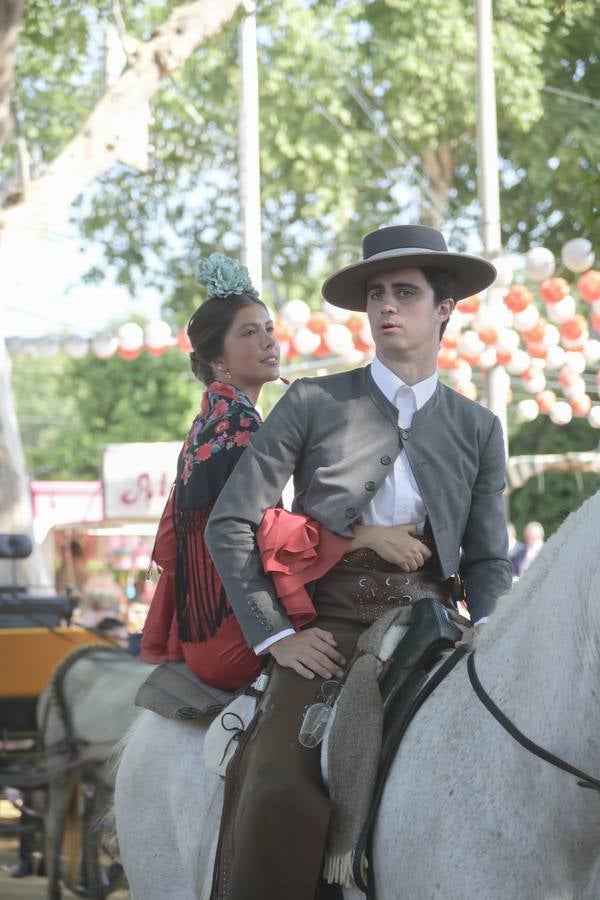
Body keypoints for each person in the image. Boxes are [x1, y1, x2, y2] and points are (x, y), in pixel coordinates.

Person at [205, 224, 513, 900]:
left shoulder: (479, 428)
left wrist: (490, 623)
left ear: (444, 309)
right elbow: (229, 522)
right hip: (327, 625)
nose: (385, 307)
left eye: (405, 292)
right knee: (280, 781)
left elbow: (489, 556)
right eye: (376, 293)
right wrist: (277, 635)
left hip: (437, 628)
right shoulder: (313, 401)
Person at [139, 254, 403, 689]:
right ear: (219, 360)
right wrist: (369, 536)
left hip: (202, 628)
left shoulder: (210, 418)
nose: (268, 343)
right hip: (239, 631)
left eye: (268, 330)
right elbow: (262, 532)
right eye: (249, 333)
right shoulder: (241, 425)